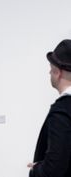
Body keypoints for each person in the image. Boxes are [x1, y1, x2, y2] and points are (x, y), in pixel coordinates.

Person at [28, 39, 71, 177]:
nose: (49, 73)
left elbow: (54, 168)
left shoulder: (62, 110)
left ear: (57, 72)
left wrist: (36, 170)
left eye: (50, 68)